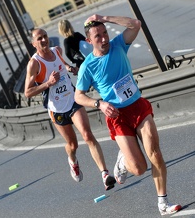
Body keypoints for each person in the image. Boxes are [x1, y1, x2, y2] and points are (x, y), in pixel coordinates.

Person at [74, 14, 182, 215]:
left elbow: (136, 24)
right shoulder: (88, 66)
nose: (104, 39)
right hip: (117, 116)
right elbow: (78, 96)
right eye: (98, 36)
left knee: (155, 153)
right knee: (139, 168)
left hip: (138, 106)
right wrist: (99, 103)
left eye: (105, 33)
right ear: (89, 41)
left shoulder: (118, 45)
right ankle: (122, 162)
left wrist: (105, 18)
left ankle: (163, 204)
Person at [24, 28, 116, 191]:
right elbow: (27, 92)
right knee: (72, 145)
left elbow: (63, 65)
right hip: (56, 109)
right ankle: (72, 161)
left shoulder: (56, 50)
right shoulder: (34, 63)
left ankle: (104, 174)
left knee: (87, 135)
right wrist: (48, 84)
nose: (44, 40)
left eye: (45, 36)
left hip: (72, 100)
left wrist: (71, 69)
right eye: (39, 38)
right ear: (33, 43)